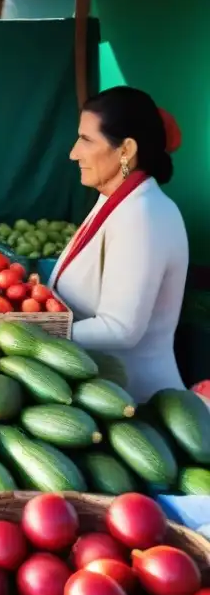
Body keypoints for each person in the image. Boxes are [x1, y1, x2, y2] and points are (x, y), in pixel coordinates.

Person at [50, 86, 187, 403]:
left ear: (125, 149)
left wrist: (38, 333)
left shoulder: (144, 214)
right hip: (108, 392)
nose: (73, 153)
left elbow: (121, 328)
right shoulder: (117, 199)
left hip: (137, 403)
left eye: (86, 140)